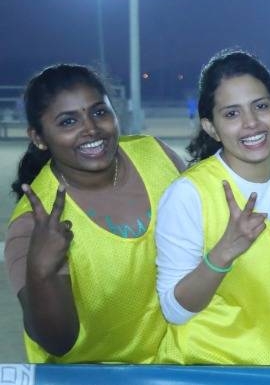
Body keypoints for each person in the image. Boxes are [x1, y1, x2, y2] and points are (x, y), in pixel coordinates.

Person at [6, 64, 183, 363]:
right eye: (68, 121)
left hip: (179, 369)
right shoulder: (34, 226)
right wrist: (41, 272)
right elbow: (57, 342)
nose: (90, 128)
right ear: (38, 137)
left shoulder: (155, 156)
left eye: (99, 112)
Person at [154, 50, 270, 365]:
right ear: (211, 127)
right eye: (231, 114)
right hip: (213, 373)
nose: (251, 123)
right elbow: (174, 311)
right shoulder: (189, 195)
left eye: (261, 106)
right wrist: (222, 255)